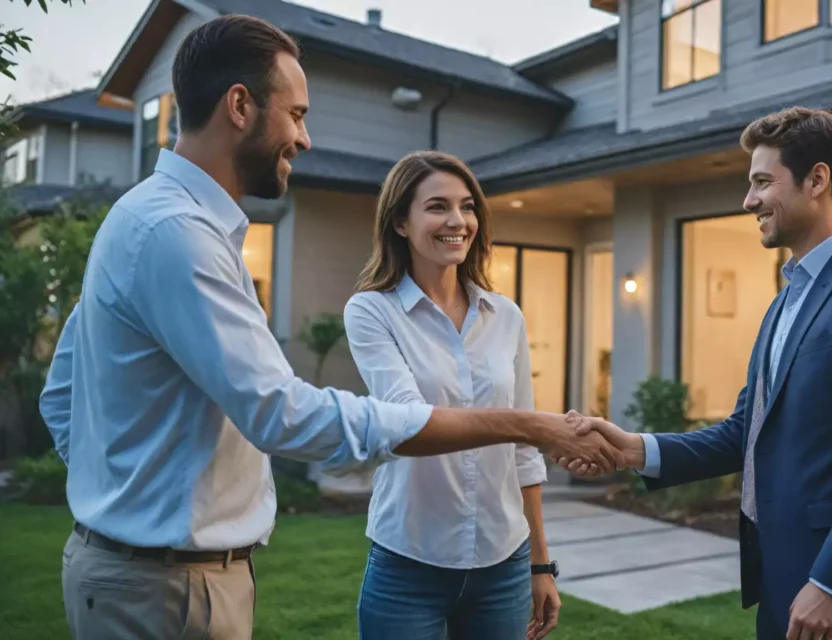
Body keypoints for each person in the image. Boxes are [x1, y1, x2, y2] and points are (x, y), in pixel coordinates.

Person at [38, 14, 617, 639]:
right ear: (240, 106)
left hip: (165, 575)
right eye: (297, 114)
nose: (305, 138)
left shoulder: (156, 220)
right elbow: (282, 413)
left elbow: (61, 394)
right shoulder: (176, 233)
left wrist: (114, 502)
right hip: (165, 586)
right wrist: (528, 424)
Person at [564, 107, 832, 640]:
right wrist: (632, 450)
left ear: (817, 180)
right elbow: (745, 432)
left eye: (762, 182)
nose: (749, 200)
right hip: (782, 576)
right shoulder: (785, 302)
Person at [342, 150, 559, 640]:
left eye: (467, 207)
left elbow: (523, 455)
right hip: (409, 563)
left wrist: (540, 564)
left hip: (505, 562)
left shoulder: (506, 317)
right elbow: (407, 420)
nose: (457, 221)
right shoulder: (372, 312)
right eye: (437, 206)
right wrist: (535, 424)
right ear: (400, 221)